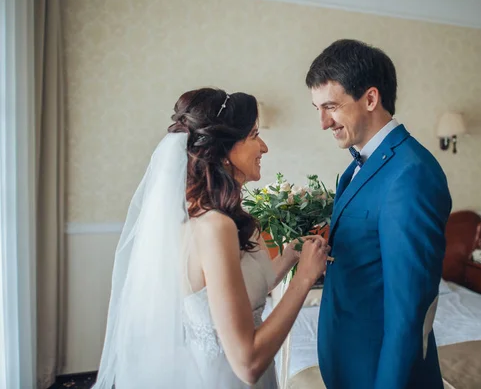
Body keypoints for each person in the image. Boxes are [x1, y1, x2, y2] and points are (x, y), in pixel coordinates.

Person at [92, 88, 329, 389]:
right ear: (224, 150)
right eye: (254, 135)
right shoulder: (215, 227)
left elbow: (239, 294)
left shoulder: (211, 217)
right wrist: (304, 279)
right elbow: (248, 363)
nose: (264, 147)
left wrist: (290, 256)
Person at [305, 39, 452, 389]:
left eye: (331, 107)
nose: (324, 123)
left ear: (370, 99)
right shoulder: (354, 169)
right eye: (317, 109)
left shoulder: (410, 174)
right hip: (349, 362)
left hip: (378, 372)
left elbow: (408, 313)